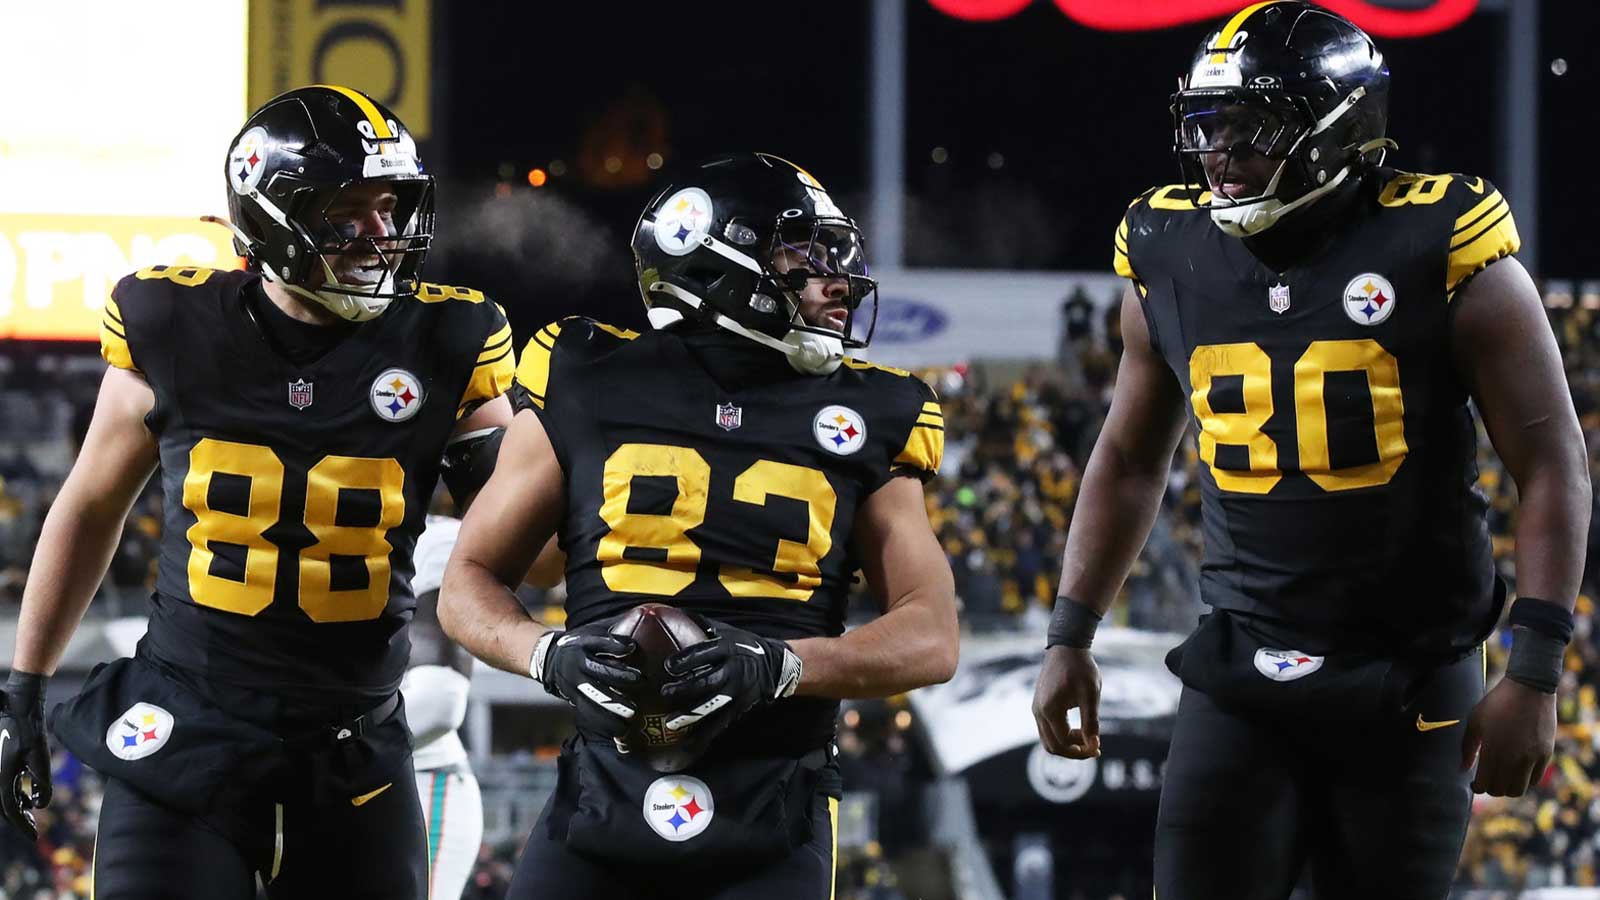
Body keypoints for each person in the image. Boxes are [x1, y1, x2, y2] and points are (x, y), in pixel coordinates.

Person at [1029, 4, 1590, 898]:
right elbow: (1131, 461)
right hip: (1242, 664)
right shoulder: (1168, 253)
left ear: (1336, 130)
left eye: (1246, 129)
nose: (1215, 153)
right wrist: (1071, 632)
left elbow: (1552, 462)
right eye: (1205, 125)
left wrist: (1534, 668)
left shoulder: (1444, 248)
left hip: (1410, 669)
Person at [0, 85, 516, 899]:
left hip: (354, 753)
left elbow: (523, 538)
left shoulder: (449, 340)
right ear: (275, 218)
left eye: (391, 208)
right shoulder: (172, 322)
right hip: (183, 735)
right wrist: (25, 684)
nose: (380, 235)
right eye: (351, 212)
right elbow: (91, 504)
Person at [439, 152, 960, 899]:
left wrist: (781, 665)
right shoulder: (584, 369)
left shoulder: (876, 407)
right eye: (802, 252)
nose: (836, 279)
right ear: (717, 261)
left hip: (773, 804)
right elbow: (470, 579)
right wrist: (546, 654)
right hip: (600, 794)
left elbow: (933, 635)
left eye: (835, 254)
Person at [402, 515, 484, 900]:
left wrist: (329, 743)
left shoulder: (433, 538)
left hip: (419, 778)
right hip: (326, 778)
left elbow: (440, 700)